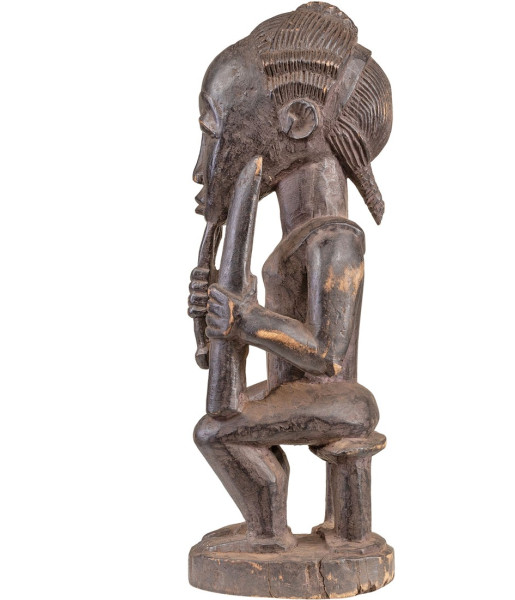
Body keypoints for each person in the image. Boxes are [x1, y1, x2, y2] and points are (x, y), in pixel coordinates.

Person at [188, 2, 392, 553]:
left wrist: (248, 320)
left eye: (214, 132)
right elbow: (245, 346)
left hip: (339, 399)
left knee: (215, 430)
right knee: (225, 416)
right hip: (295, 392)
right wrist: (214, 327)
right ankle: (271, 523)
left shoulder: (336, 239)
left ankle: (269, 529)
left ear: (297, 120)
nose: (201, 166)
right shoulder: (294, 243)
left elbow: (328, 355)